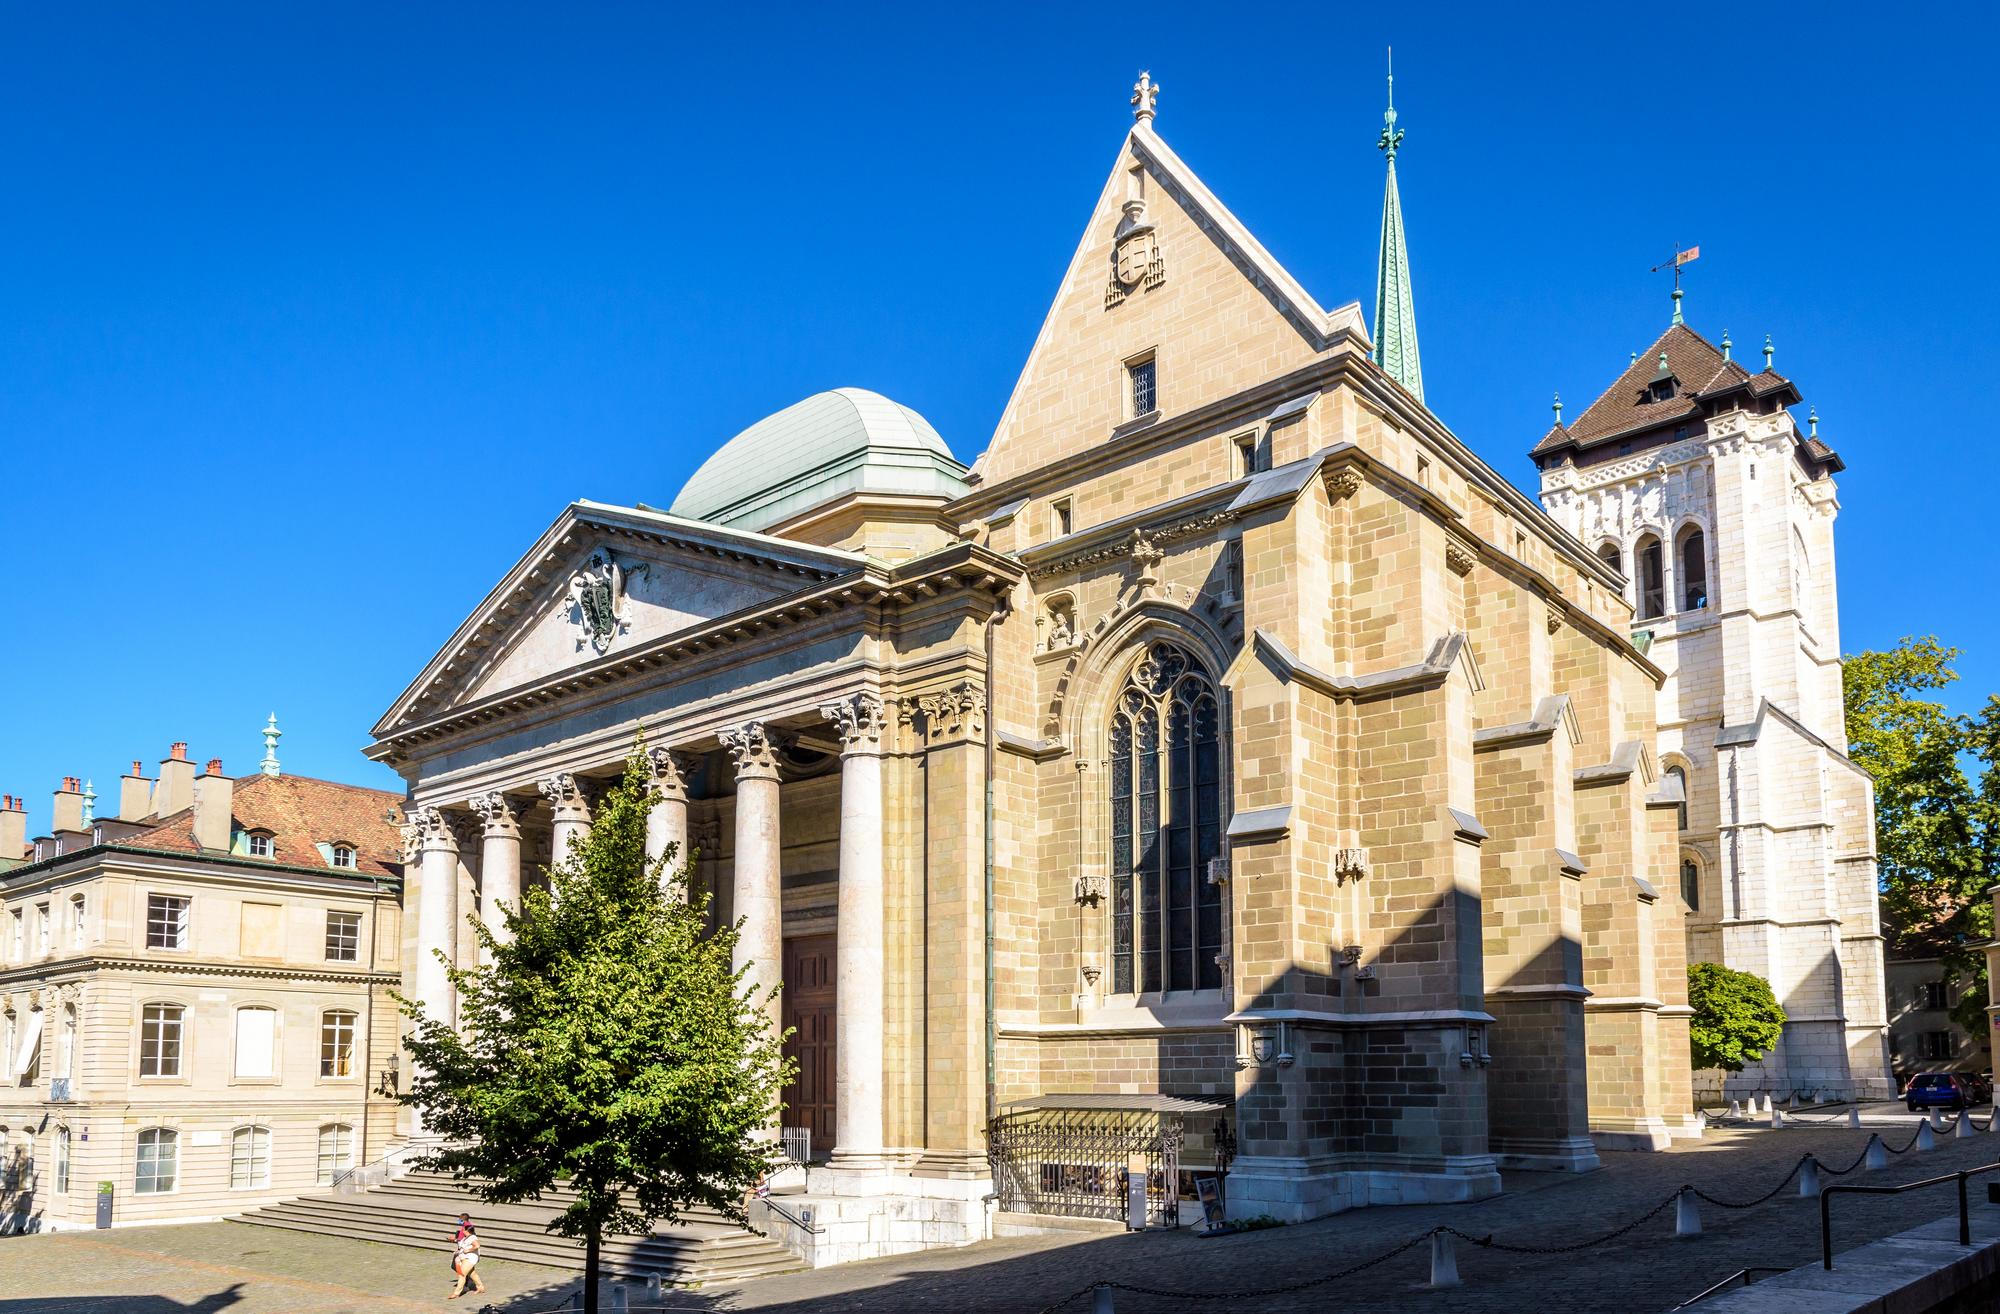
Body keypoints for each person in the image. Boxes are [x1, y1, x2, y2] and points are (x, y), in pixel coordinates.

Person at [448, 1218, 486, 1300]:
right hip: (465, 1257)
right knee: (472, 1273)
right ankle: (480, 1287)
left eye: (463, 1230)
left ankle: (456, 1293)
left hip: (470, 1258)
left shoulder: (472, 1238)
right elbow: (462, 1246)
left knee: (461, 1275)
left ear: (466, 1231)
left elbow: (477, 1246)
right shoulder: (466, 1238)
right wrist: (458, 1252)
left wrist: (468, 1250)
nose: (462, 1231)